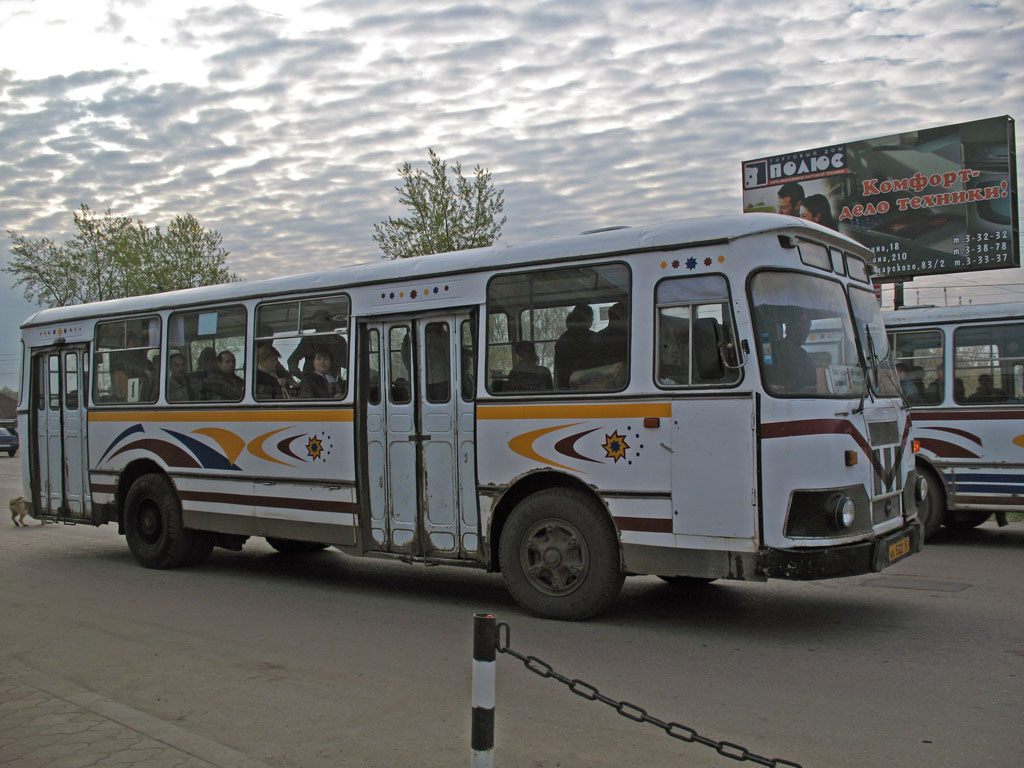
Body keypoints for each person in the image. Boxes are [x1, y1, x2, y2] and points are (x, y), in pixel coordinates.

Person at [288, 309, 347, 379]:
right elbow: (292, 361)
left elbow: (347, 362)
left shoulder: (339, 340)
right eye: (320, 319)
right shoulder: (308, 340)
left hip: (332, 382)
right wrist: (304, 377)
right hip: (312, 382)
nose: (323, 322)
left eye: (326, 319)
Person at [554, 304, 597, 389]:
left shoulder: (563, 339)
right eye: (590, 318)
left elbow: (560, 371)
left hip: (567, 387)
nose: (592, 321)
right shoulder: (593, 338)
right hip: (591, 385)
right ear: (586, 320)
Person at [773, 313, 816, 393]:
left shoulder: (801, 352)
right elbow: (798, 377)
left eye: (807, 329)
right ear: (790, 329)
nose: (806, 333)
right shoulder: (783, 349)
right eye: (803, 328)